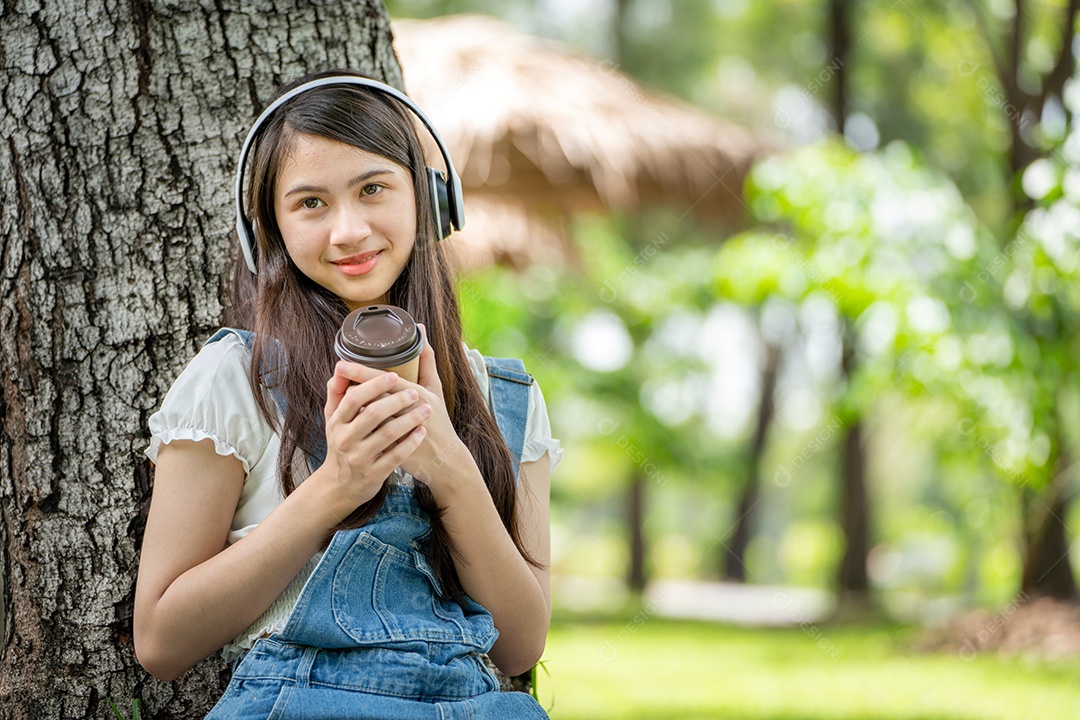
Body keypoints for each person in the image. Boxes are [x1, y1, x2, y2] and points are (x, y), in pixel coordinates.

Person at [133, 69, 560, 719]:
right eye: (311, 203)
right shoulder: (234, 380)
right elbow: (162, 640)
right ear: (268, 232)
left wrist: (450, 468)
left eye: (373, 189)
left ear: (430, 200)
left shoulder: (506, 397)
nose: (348, 231)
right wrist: (338, 485)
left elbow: (521, 646)